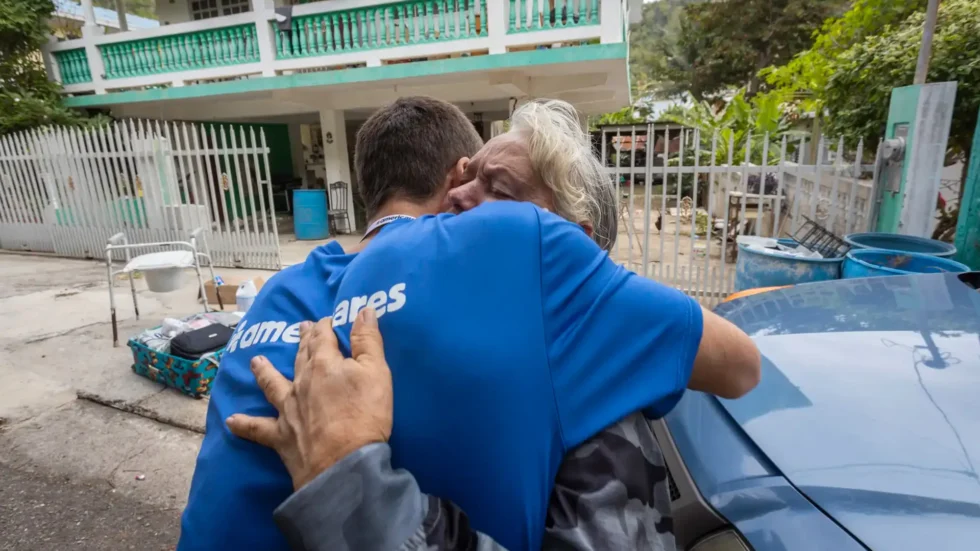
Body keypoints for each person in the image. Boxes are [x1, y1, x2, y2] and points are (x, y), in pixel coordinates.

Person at [179, 97, 760, 551]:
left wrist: (345, 478)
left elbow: (739, 363)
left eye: (497, 188)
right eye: (464, 176)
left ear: (572, 240)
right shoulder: (416, 276)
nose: (459, 196)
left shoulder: (298, 284)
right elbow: (740, 366)